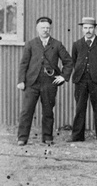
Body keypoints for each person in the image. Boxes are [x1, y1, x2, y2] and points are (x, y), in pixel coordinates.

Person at [17, 16, 74, 146]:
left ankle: (47, 137)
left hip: (49, 83)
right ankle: (22, 138)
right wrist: (21, 81)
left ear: (50, 29)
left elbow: (68, 62)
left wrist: (63, 76)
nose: (45, 30)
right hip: (32, 83)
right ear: (37, 29)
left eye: (47, 28)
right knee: (26, 111)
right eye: (42, 28)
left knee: (48, 111)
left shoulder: (57, 44)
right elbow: (23, 63)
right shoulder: (31, 44)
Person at [70, 16, 97, 142]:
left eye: (90, 28)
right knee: (80, 108)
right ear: (82, 29)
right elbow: (74, 61)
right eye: (85, 28)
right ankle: (77, 136)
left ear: (95, 29)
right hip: (81, 81)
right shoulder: (77, 44)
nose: (88, 30)